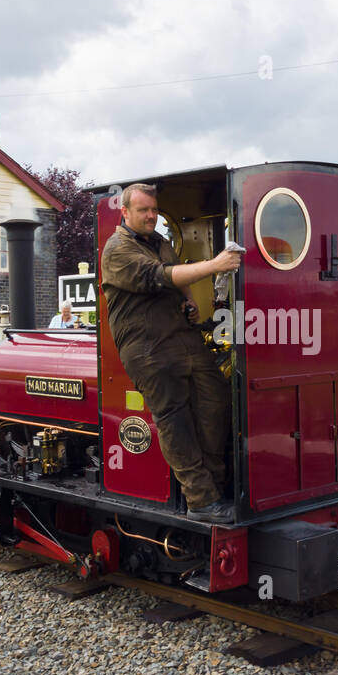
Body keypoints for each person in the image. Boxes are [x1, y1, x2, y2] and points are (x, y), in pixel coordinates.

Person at [100, 183, 241, 523]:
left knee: (216, 399)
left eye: (154, 210)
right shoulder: (116, 249)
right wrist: (215, 265)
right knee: (173, 420)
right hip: (147, 347)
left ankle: (215, 486)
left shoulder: (159, 242)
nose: (151, 216)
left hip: (181, 336)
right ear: (125, 212)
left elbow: (175, 274)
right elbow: (157, 276)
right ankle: (201, 501)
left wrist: (190, 300)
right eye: (144, 210)